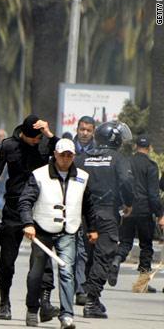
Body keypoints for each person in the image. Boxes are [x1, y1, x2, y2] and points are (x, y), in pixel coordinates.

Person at [0, 114, 59, 321]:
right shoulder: (9, 146)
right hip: (13, 207)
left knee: (43, 257)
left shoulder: (45, 144)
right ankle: (4, 301)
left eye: (40, 137)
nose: (37, 141)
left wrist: (49, 133)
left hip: (40, 207)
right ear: (23, 134)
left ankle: (45, 302)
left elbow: (63, 153)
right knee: (7, 261)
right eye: (34, 138)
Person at [18, 138, 97, 329]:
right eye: (62, 155)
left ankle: (67, 316)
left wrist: (93, 228)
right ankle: (31, 309)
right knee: (36, 274)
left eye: (69, 155)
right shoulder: (39, 175)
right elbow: (25, 201)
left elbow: (88, 205)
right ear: (55, 155)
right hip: (42, 231)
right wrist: (28, 223)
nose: (65, 159)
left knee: (67, 272)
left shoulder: (82, 177)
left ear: (74, 156)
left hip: (68, 231)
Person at [74, 121, 134, 318]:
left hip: (84, 215)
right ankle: (91, 301)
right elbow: (126, 181)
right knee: (104, 256)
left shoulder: (82, 158)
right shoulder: (117, 158)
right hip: (107, 213)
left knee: (89, 256)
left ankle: (92, 297)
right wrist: (128, 202)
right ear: (115, 139)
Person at [109, 135, 164, 293]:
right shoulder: (151, 166)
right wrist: (160, 214)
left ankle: (117, 260)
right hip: (144, 210)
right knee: (146, 246)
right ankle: (142, 283)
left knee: (125, 242)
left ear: (135, 146)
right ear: (150, 148)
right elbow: (153, 194)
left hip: (128, 209)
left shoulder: (126, 162)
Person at [72, 116, 96, 306]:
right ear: (77, 129)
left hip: (92, 208)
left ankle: (84, 283)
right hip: (72, 208)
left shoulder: (98, 153)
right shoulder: (67, 151)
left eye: (88, 130)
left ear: (93, 131)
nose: (85, 133)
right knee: (77, 251)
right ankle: (79, 288)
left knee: (89, 250)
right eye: (82, 129)